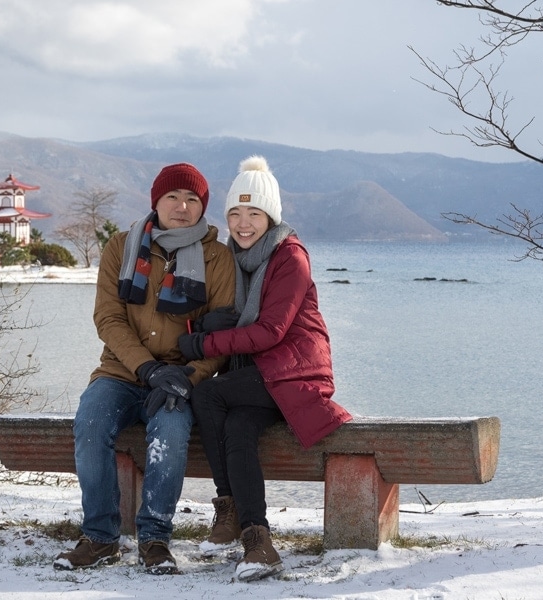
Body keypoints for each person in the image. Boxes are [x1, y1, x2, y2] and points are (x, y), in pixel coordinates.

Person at [54, 163, 236, 575]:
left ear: (202, 207)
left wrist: (187, 377)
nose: (182, 206)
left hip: (179, 378)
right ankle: (100, 537)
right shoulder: (122, 246)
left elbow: (221, 335)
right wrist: (147, 369)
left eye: (192, 199)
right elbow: (108, 319)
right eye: (173, 197)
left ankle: (155, 539)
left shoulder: (217, 257)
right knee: (91, 423)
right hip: (121, 372)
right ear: (156, 201)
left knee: (169, 435)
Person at [178, 155, 352, 582]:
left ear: (270, 215)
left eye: (253, 212)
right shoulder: (234, 260)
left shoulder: (289, 257)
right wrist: (198, 324)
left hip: (295, 373)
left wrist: (202, 342)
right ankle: (259, 541)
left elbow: (271, 330)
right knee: (236, 426)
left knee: (207, 393)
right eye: (234, 213)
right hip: (257, 376)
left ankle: (228, 507)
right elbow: (218, 311)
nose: (242, 223)